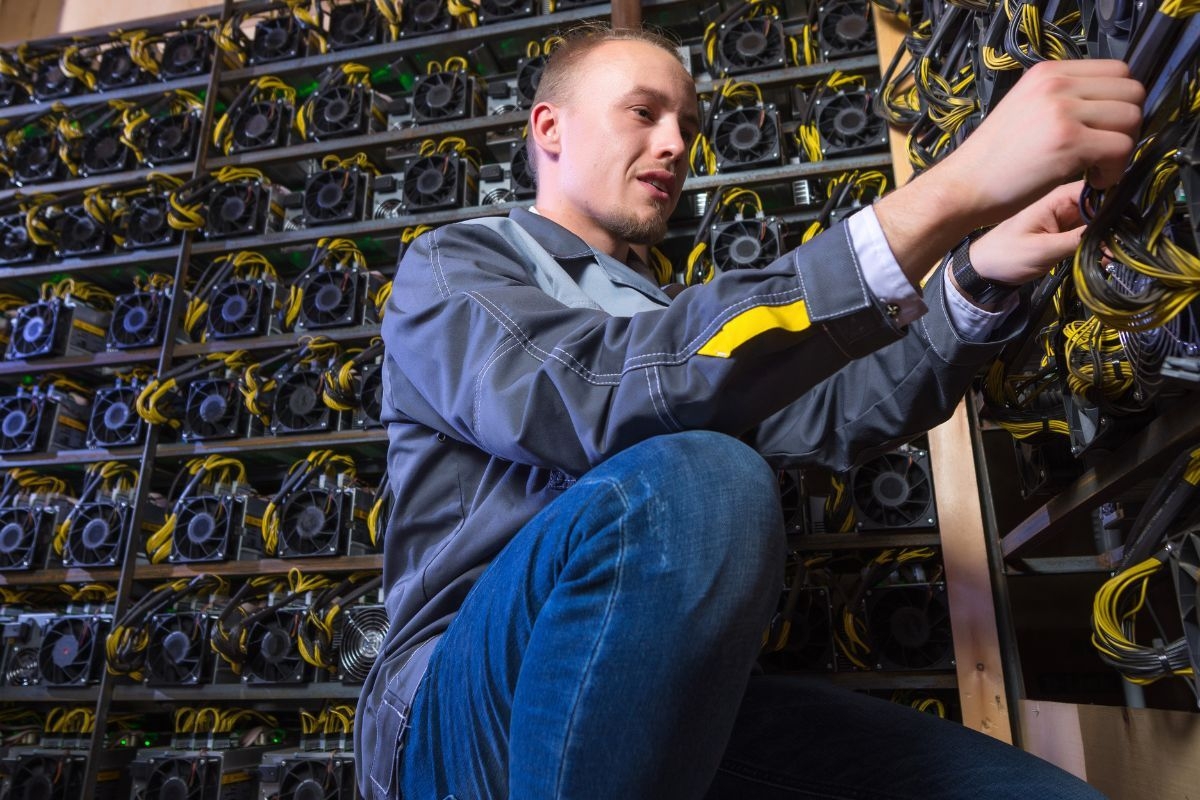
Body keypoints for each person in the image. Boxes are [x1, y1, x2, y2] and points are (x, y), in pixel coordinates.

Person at [355, 23, 1144, 799]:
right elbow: (590, 394)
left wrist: (972, 277)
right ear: (549, 127)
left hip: (658, 699)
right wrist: (952, 191)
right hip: (465, 712)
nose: (674, 145)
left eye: (688, 128)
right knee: (699, 478)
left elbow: (832, 412)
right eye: (643, 112)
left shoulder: (667, 314)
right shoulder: (456, 266)